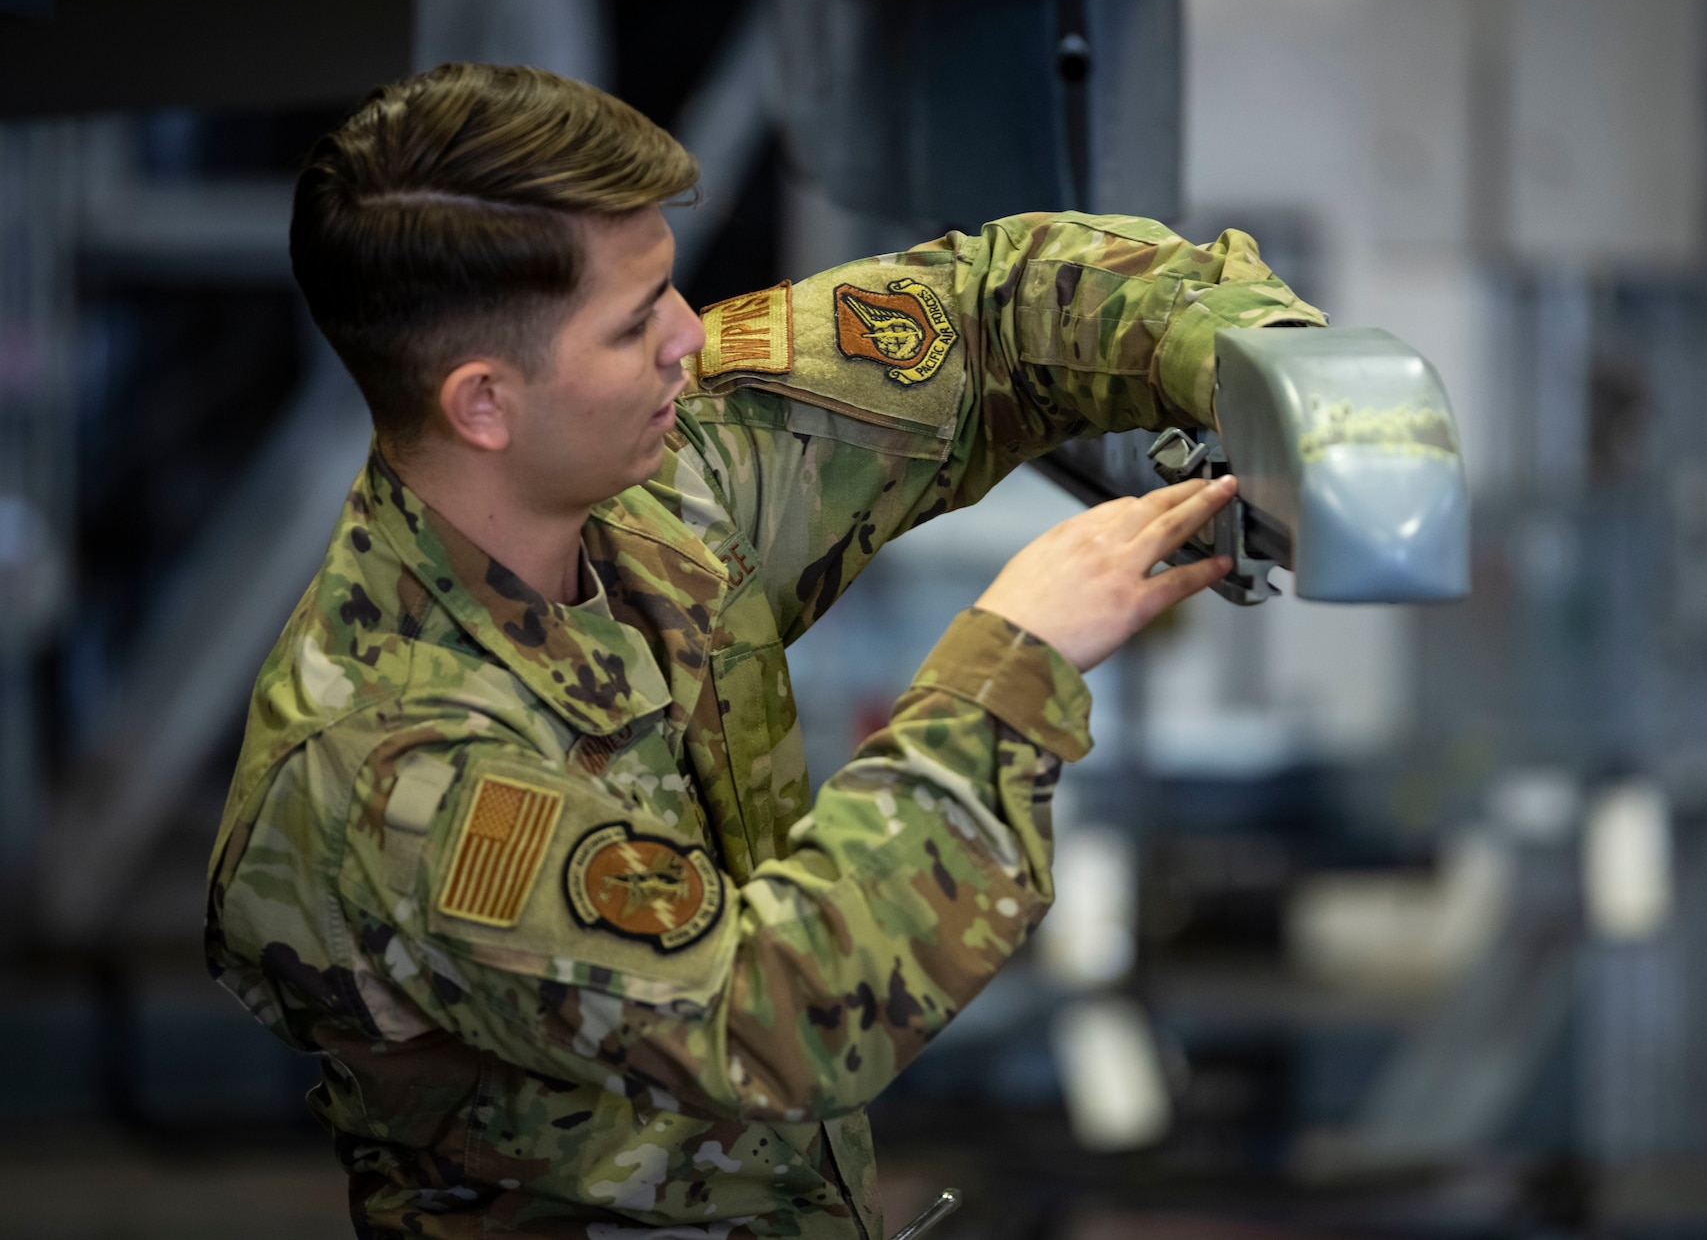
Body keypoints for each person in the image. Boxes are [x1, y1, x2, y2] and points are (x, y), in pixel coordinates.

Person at [205, 61, 1324, 1239]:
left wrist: (1255, 360)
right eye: (634, 323)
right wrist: (1009, 668)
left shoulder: (655, 483)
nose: (688, 336)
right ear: (483, 403)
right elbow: (769, 1014)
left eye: (668, 293)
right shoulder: (395, 766)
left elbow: (986, 312)